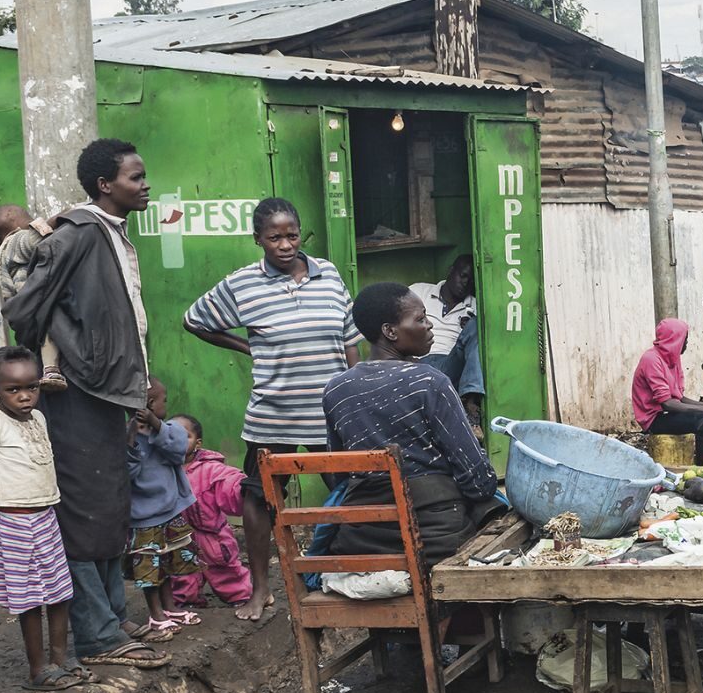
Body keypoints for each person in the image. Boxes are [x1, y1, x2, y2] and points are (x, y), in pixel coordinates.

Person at [1, 138, 168, 671]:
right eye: (135, 178)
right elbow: (26, 304)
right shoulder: (80, 232)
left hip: (105, 392)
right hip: (77, 394)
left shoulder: (110, 233)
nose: (144, 185)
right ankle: (96, 636)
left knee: (109, 510)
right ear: (105, 185)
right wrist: (76, 355)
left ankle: (112, 620)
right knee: (84, 514)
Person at [182, 197, 358, 623]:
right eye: (274, 237)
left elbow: (349, 338)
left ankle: (351, 574)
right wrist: (248, 346)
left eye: (292, 235)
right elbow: (194, 319)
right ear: (257, 238)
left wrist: (356, 394)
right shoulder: (243, 283)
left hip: (327, 411)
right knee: (259, 499)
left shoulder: (328, 273)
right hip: (272, 412)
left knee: (350, 490)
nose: (285, 245)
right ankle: (260, 589)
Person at [322, 283, 505, 567]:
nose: (429, 325)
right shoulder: (430, 382)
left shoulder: (336, 389)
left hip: (363, 539)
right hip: (435, 540)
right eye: (420, 319)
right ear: (390, 332)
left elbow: (339, 477)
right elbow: (477, 480)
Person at [0, 347, 86, 691]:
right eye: (13, 389)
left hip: (46, 518)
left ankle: (60, 660)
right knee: (29, 600)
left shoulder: (39, 419)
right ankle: (38, 670)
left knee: (60, 591)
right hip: (16, 525)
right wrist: (4, 498)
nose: (25, 396)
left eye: (32, 387)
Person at [124, 405, 198, 638]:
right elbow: (128, 471)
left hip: (169, 511)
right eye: (159, 400)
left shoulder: (168, 430)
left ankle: (170, 607)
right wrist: (132, 438)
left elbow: (180, 449)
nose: (164, 405)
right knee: (149, 568)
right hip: (144, 518)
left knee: (167, 563)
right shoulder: (128, 433)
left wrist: (156, 424)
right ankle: (156, 614)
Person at [169, 415, 255, 609]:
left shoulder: (210, 468)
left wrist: (243, 488)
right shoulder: (163, 469)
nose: (177, 441)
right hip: (178, 535)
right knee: (181, 573)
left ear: (197, 443)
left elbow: (228, 481)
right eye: (170, 435)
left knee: (225, 569)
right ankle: (186, 600)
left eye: (185, 436)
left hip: (212, 534)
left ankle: (241, 596)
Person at [0, 204, 65, 392]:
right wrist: (65, 216)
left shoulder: (2, 253)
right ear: (11, 217)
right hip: (35, 305)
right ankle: (51, 370)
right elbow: (35, 240)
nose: (30, 217)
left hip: (23, 312)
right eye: (25, 215)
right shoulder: (15, 241)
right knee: (49, 328)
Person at [633, 317, 703, 464]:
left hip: (669, 411)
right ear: (674, 339)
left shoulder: (673, 359)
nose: (686, 343)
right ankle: (701, 469)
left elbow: (679, 398)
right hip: (655, 419)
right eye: (684, 339)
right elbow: (668, 403)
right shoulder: (651, 359)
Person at [408, 253, 483, 402]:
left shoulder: (475, 305)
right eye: (463, 276)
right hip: (418, 361)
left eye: (471, 280)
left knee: (477, 325)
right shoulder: (419, 291)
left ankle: (471, 399)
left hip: (452, 364)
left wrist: (469, 329)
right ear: (451, 270)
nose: (466, 283)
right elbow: (392, 320)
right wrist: (405, 358)